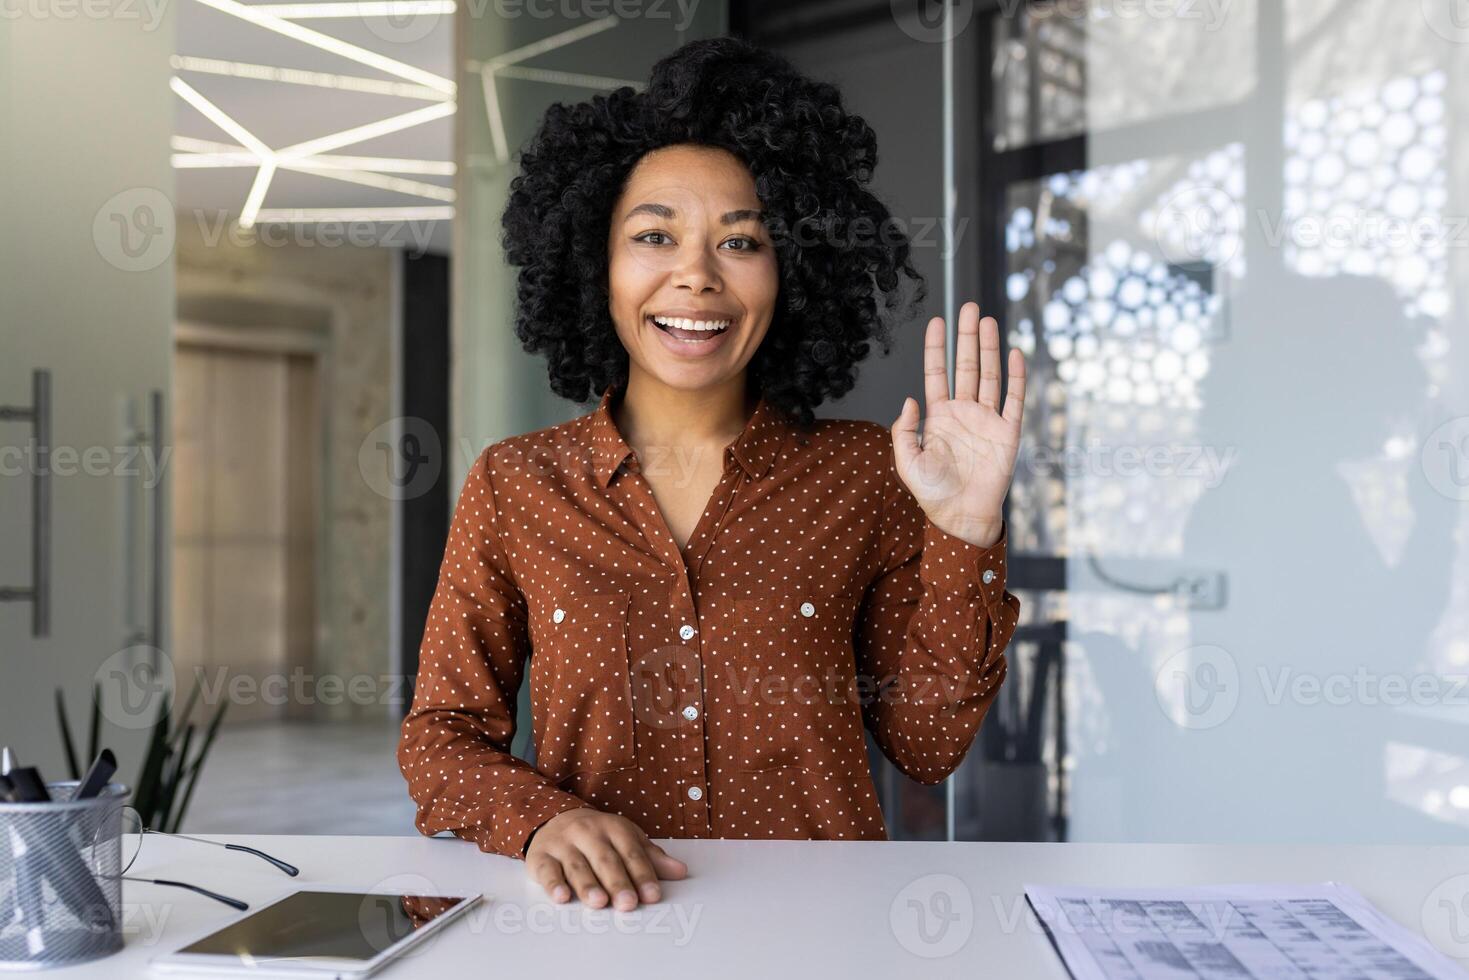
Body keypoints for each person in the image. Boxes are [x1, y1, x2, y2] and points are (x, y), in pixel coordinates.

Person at [397, 36, 1025, 912]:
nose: (694, 275)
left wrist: (965, 532)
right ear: (596, 263)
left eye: (740, 241)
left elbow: (924, 745)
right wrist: (539, 819)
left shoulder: (869, 475)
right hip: (595, 938)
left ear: (789, 271)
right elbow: (443, 737)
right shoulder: (516, 486)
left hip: (822, 939)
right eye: (654, 236)